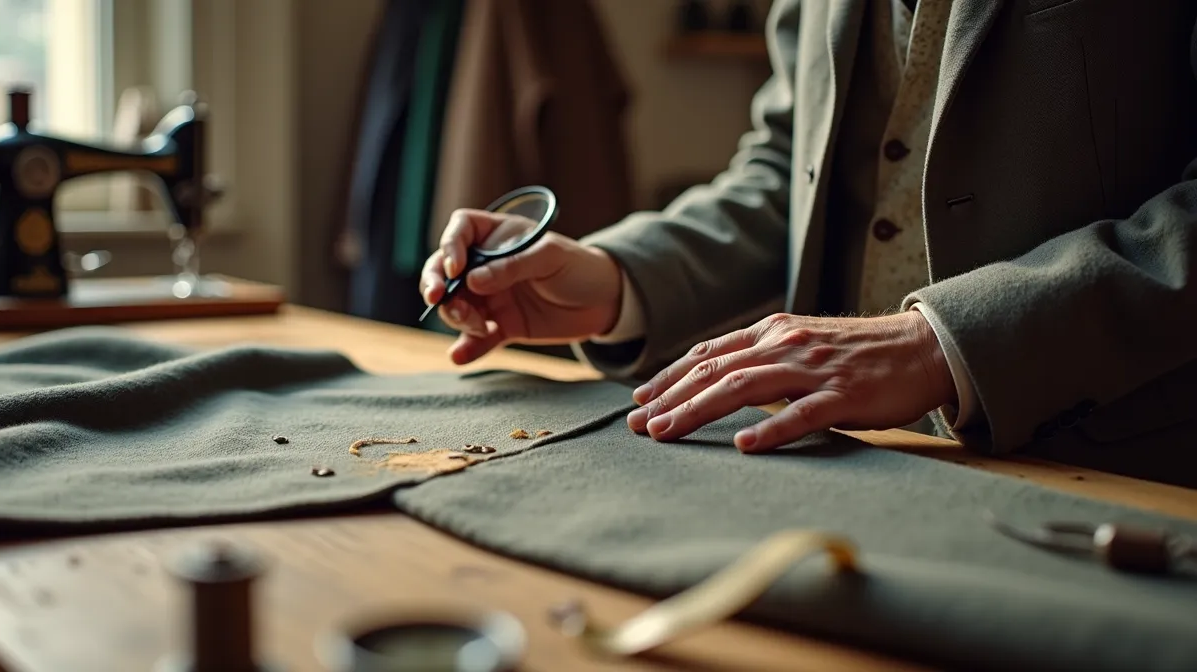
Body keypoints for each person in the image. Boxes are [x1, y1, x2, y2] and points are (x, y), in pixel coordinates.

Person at [418, 0, 1197, 486]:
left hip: (1113, 479)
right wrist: (617, 276)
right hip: (840, 471)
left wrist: (942, 343)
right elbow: (788, 166)